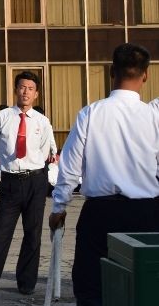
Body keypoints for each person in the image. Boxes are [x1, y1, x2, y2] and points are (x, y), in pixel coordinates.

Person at [49, 43, 159, 306]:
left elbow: (70, 166)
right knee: (145, 287)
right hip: (146, 213)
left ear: (112, 71)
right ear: (145, 75)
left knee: (91, 287)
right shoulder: (153, 116)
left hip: (100, 213)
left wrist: (59, 207)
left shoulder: (91, 113)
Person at [0, 71, 57, 297]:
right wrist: (3, 161)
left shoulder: (42, 121)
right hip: (10, 182)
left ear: (36, 94)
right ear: (16, 90)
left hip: (36, 180)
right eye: (22, 87)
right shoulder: (2, 117)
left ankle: (26, 283)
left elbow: (47, 151)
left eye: (30, 88)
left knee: (32, 234)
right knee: (1, 234)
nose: (25, 92)